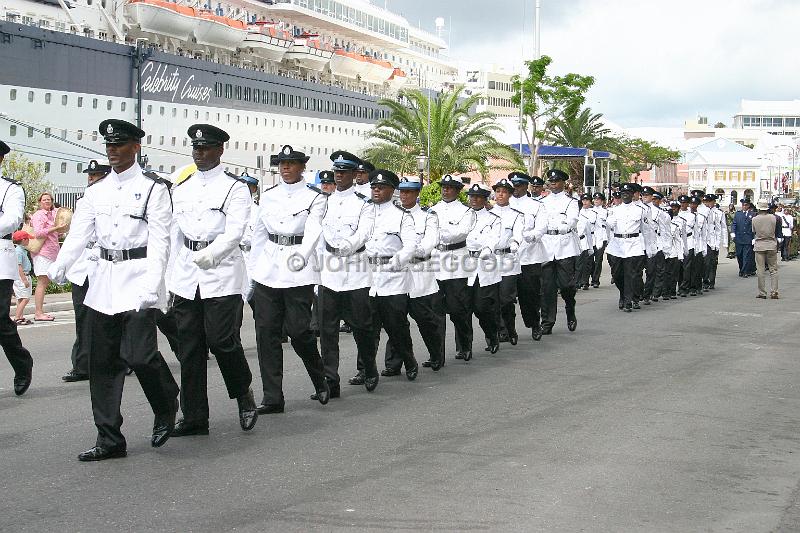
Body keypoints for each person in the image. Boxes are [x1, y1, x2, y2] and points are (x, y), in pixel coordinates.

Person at [47, 119, 180, 461]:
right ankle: (109, 438)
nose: (113, 151)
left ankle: (166, 403)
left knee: (140, 355)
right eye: (109, 145)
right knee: (102, 363)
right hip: (104, 281)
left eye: (119, 145)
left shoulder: (154, 188)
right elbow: (79, 234)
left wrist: (154, 284)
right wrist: (60, 265)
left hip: (139, 278)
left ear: (136, 147)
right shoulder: (95, 191)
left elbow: (161, 241)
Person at [168, 124, 258, 437]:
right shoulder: (182, 187)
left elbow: (234, 231)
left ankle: (242, 392)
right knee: (189, 348)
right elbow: (174, 235)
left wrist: (214, 253)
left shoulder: (235, 188)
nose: (200, 154)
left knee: (222, 341)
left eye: (206, 148)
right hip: (187, 273)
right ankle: (194, 417)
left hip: (221, 272)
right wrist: (169, 278)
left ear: (220, 150)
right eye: (196, 148)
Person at [248, 145, 330, 414]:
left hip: (297, 270)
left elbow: (314, 228)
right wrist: (253, 272)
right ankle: (272, 397)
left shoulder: (314, 197)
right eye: (282, 163)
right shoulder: (269, 196)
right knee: (266, 334)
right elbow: (259, 234)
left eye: (291, 163)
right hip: (269, 269)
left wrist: (304, 255)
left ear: (302, 167)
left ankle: (319, 377)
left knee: (299, 332)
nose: (285, 168)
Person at [340, 169, 419, 379]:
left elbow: (411, 244)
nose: (376, 190)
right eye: (373, 186)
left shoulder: (402, 216)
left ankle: (407, 360)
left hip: (393, 276)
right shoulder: (361, 211)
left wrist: (398, 260)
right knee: (365, 327)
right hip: (366, 274)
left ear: (392, 190)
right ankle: (365, 369)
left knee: (396, 326)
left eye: (381, 187)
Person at [316, 151, 377, 395]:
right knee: (327, 332)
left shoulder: (365, 203)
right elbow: (318, 236)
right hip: (329, 273)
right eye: (336, 172)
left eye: (344, 172)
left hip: (355, 271)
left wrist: (346, 247)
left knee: (362, 327)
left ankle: (369, 367)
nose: (339, 175)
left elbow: (364, 233)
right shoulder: (324, 202)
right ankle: (331, 380)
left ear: (354, 174)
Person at [62, 160, 110, 382]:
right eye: (90, 177)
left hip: (105, 264)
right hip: (82, 265)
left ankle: (122, 359)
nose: (92, 180)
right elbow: (75, 237)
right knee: (83, 317)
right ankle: (82, 365)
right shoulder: (83, 201)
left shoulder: (113, 200)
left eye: (97, 176)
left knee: (111, 318)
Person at [392, 176, 444, 371]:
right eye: (402, 191)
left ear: (416, 194)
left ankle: (435, 353)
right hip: (396, 272)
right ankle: (395, 362)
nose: (404, 195)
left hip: (419, 270)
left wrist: (411, 251)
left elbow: (430, 240)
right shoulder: (393, 215)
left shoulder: (428, 215)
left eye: (408, 192)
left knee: (423, 318)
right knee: (395, 319)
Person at [0, 141, 34, 396]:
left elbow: (12, 219)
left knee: (0, 319)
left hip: (1, 258)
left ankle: (22, 363)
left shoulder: (10, 189)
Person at [431, 175, 476, 361]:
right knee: (435, 313)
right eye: (444, 187)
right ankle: (437, 354)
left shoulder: (467, 211)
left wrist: (440, 232)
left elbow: (460, 233)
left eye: (450, 188)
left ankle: (464, 345)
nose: (445, 190)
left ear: (458, 190)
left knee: (459, 310)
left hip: (457, 263)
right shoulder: (432, 210)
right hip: (436, 262)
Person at [539, 169, 579, 334]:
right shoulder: (542, 202)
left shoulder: (570, 202)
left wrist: (566, 225)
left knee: (566, 285)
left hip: (564, 246)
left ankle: (570, 308)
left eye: (557, 181)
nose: (553, 183)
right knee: (547, 287)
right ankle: (547, 322)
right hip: (547, 246)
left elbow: (573, 219)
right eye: (551, 181)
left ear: (563, 183)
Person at [509, 172, 548, 341]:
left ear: (526, 186)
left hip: (529, 255)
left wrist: (533, 235)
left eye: (518, 186)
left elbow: (542, 226)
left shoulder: (536, 205)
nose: (515, 189)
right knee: (505, 296)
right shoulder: (505, 204)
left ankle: (534, 323)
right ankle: (507, 328)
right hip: (508, 257)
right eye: (513, 186)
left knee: (529, 294)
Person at [464, 183, 502, 354]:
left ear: (485, 199)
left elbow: (494, 239)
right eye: (472, 196)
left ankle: (491, 333)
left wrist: (487, 248)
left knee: (481, 308)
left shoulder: (494, 219)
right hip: (463, 265)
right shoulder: (463, 216)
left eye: (478, 197)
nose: (474, 199)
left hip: (484, 265)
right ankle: (464, 346)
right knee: (462, 308)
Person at [490, 178, 524, 344]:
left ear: (510, 194)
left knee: (506, 299)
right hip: (490, 260)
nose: (500, 194)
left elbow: (518, 234)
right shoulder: (487, 214)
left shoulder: (517, 215)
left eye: (504, 191)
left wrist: (515, 244)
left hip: (508, 260)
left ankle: (510, 328)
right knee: (491, 299)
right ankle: (499, 330)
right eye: (498, 191)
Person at [606, 183, 647, 312]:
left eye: (628, 192)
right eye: (623, 193)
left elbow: (646, 230)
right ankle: (623, 294)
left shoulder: (640, 210)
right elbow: (609, 226)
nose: (625, 194)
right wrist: (609, 223)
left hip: (633, 244)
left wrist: (648, 248)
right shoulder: (615, 210)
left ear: (633, 194)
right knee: (617, 274)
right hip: (617, 244)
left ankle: (628, 300)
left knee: (630, 274)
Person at [30, 191, 66, 321]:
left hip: (52, 251)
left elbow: (54, 233)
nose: (47, 201)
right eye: (44, 200)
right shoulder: (39, 215)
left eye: (49, 199)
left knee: (45, 281)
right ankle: (38, 313)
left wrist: (58, 231)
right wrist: (55, 228)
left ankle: (40, 312)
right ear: (40, 202)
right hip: (42, 252)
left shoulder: (53, 215)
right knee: (42, 281)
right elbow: (38, 233)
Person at [752, 199, 780, 299]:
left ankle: (762, 292)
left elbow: (754, 231)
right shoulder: (773, 218)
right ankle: (774, 291)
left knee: (760, 270)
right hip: (771, 244)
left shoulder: (754, 219)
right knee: (773, 269)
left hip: (759, 245)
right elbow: (776, 230)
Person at [11, 230, 33, 326]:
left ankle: (20, 316)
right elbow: (19, 266)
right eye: (27, 239)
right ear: (23, 240)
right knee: (25, 298)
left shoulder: (21, 250)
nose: (29, 240)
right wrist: (24, 279)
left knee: (20, 298)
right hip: (23, 276)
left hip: (22, 276)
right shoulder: (19, 251)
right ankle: (17, 317)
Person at [732, 198, 756, 277]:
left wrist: (754, 237)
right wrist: (733, 232)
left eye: (746, 205)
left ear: (748, 205)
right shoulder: (738, 214)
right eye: (743, 205)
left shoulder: (753, 214)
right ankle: (741, 269)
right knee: (739, 255)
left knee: (746, 255)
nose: (744, 206)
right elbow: (734, 224)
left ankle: (745, 271)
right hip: (739, 238)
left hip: (748, 238)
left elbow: (755, 227)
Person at [590, 192, 608, 287]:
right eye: (595, 199)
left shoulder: (605, 212)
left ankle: (595, 280)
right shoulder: (589, 211)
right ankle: (592, 275)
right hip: (591, 238)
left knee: (598, 259)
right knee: (590, 260)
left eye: (598, 199)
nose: (596, 201)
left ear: (602, 201)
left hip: (601, 237)